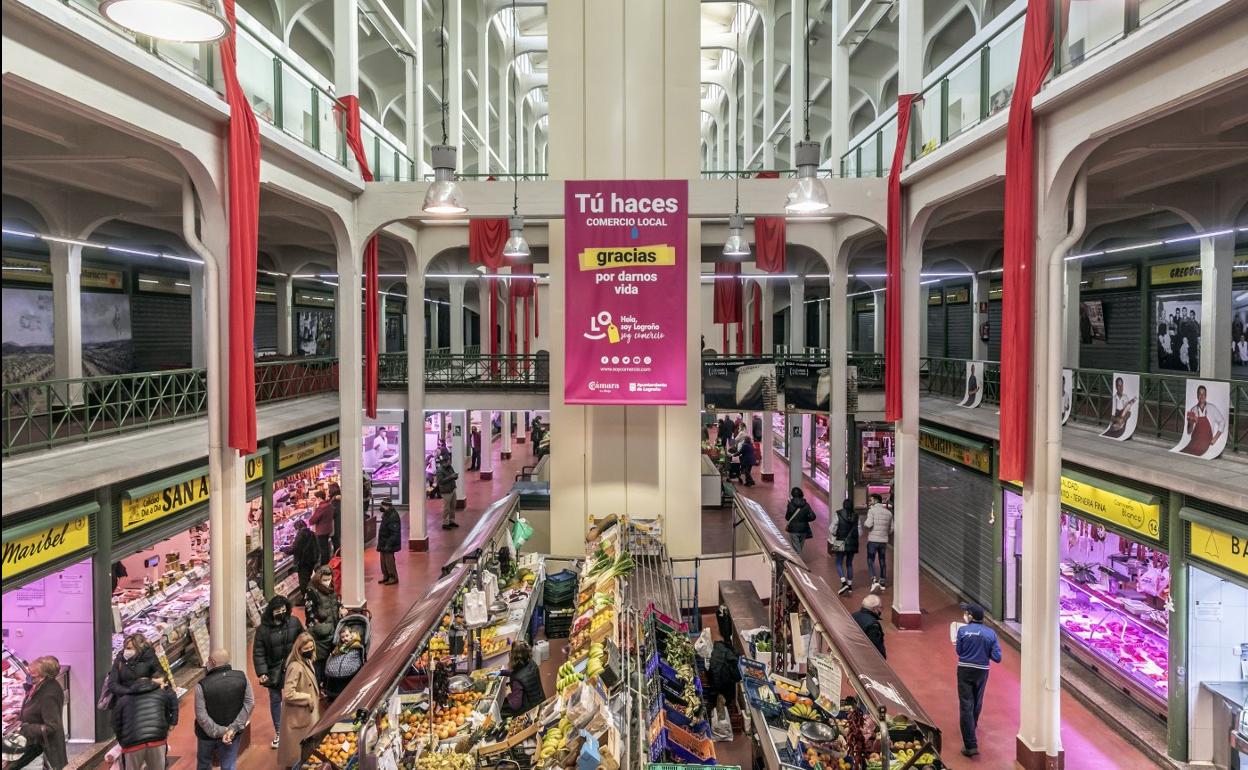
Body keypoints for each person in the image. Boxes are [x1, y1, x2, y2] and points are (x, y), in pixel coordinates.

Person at [253, 595, 303, 749]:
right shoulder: (262, 630)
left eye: (283, 610)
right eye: (278, 611)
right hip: (273, 670)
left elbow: (303, 639)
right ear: (271, 611)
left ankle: (298, 728)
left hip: (293, 667)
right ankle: (279, 731)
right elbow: (259, 652)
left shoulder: (294, 622)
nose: (281, 613)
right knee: (275, 700)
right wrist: (262, 672)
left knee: (295, 697)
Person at [954, 602, 1002, 757]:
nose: (965, 615)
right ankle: (972, 726)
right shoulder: (991, 634)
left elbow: (959, 651)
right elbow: (997, 657)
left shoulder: (962, 631)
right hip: (982, 671)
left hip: (965, 669)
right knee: (977, 700)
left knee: (965, 704)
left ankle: (970, 745)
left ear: (971, 616)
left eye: (966, 613)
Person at [194, 649, 254, 770]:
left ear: (212, 662)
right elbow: (250, 703)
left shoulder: (202, 685)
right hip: (232, 735)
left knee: (204, 764)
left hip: (206, 735)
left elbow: (201, 715)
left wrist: (220, 731)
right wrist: (232, 729)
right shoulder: (242, 677)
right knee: (229, 765)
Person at [8, 656, 67, 770]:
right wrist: (18, 716)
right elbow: (34, 709)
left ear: (44, 675)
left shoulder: (49, 694)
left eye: (33, 675)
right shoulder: (40, 686)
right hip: (36, 744)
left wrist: (25, 729)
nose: (29, 676)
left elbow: (51, 726)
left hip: (43, 746)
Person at [111, 669, 178, 770]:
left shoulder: (123, 700)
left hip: (132, 744)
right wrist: (164, 732)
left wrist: (123, 742)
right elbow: (167, 714)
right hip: (157, 741)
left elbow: (115, 723)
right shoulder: (162, 695)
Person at [277, 633, 321, 770]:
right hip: (299, 716)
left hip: (305, 714)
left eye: (311, 647)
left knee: (305, 754)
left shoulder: (307, 662)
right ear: (299, 649)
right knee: (298, 756)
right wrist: (307, 698)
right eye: (306, 649)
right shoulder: (295, 667)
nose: (310, 651)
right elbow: (289, 693)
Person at [305, 566, 345, 682]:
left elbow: (335, 603)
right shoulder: (312, 591)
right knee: (320, 664)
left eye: (329, 579)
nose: (327, 582)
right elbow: (309, 615)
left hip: (333, 629)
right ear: (319, 578)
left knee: (331, 660)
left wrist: (341, 608)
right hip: (320, 635)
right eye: (325, 580)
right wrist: (318, 629)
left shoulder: (331, 588)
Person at [107, 633, 160, 699]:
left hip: (146, 697)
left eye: (129, 648)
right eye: (125, 648)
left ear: (138, 648)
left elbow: (160, 675)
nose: (126, 651)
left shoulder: (149, 657)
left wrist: (146, 688)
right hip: (126, 699)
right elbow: (112, 683)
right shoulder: (120, 660)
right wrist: (129, 692)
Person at [1180, 384, 1226, 457]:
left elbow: (1222, 422)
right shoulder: (1193, 410)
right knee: (1185, 453)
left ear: (1206, 395)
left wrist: (1215, 439)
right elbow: (1189, 432)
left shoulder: (1212, 408)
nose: (1201, 396)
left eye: (1203, 394)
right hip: (1194, 441)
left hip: (1206, 442)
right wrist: (1190, 422)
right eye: (1200, 394)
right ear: (1197, 395)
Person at [501, 642, 546, 717]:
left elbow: (516, 704)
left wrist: (507, 696)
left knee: (501, 711)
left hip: (529, 710)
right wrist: (502, 672)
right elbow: (521, 674)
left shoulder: (517, 680)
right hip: (540, 701)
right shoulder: (531, 663)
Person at [863, 495, 893, 592]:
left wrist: (865, 524)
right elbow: (891, 528)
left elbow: (868, 524)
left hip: (873, 540)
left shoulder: (872, 511)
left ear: (876, 501)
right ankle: (883, 581)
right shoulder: (889, 513)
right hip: (883, 541)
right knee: (882, 560)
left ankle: (874, 580)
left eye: (871, 500)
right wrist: (885, 534)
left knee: (870, 559)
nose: (870, 501)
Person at [832, 498, 860, 595]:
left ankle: (844, 583)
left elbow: (831, 528)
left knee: (839, 562)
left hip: (840, 541)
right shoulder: (856, 516)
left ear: (843, 505)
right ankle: (850, 585)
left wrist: (836, 533)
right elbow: (859, 532)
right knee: (849, 563)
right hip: (852, 543)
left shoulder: (838, 514)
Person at [285, 519, 319, 596]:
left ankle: (306, 598)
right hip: (311, 561)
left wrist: (284, 549)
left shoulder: (301, 535)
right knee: (307, 579)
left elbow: (294, 549)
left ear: (297, 528)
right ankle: (309, 596)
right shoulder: (312, 533)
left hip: (303, 562)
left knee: (303, 582)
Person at [376, 498, 402, 585]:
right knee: (383, 562)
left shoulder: (393, 516)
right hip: (384, 543)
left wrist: (389, 544)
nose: (380, 507)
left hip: (388, 544)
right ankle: (386, 576)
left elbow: (395, 533)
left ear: (386, 505)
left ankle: (393, 577)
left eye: (381, 505)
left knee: (389, 561)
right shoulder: (386, 514)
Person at [852, 595, 886, 659]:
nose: (881, 610)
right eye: (880, 607)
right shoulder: (873, 625)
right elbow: (874, 646)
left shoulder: (853, 616)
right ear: (874, 608)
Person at [784, 487, 816, 554]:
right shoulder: (806, 505)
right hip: (803, 529)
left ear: (792, 494)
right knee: (799, 548)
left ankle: (798, 562)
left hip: (793, 529)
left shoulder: (790, 505)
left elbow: (787, 518)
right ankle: (798, 559)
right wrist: (805, 519)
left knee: (797, 549)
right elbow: (813, 516)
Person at [307, 490, 334, 566]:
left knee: (323, 549)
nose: (315, 500)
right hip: (328, 529)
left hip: (321, 531)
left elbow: (312, 521)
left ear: (319, 498)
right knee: (326, 547)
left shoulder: (321, 508)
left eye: (315, 498)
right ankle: (327, 562)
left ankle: (324, 565)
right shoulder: (329, 504)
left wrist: (314, 509)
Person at [436, 456, 459, 530]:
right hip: (446, 491)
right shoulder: (440, 471)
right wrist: (451, 477)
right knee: (447, 508)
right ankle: (445, 523)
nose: (450, 462)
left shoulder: (450, 467)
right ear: (444, 462)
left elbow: (452, 474)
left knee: (453, 506)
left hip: (452, 489)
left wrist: (455, 476)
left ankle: (452, 521)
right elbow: (440, 481)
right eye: (449, 461)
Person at [327, 482, 343, 552]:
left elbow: (334, 512)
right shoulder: (336, 497)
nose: (328, 490)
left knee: (336, 539)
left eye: (329, 489)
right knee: (337, 539)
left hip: (336, 523)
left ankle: (337, 555)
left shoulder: (335, 499)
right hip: (338, 521)